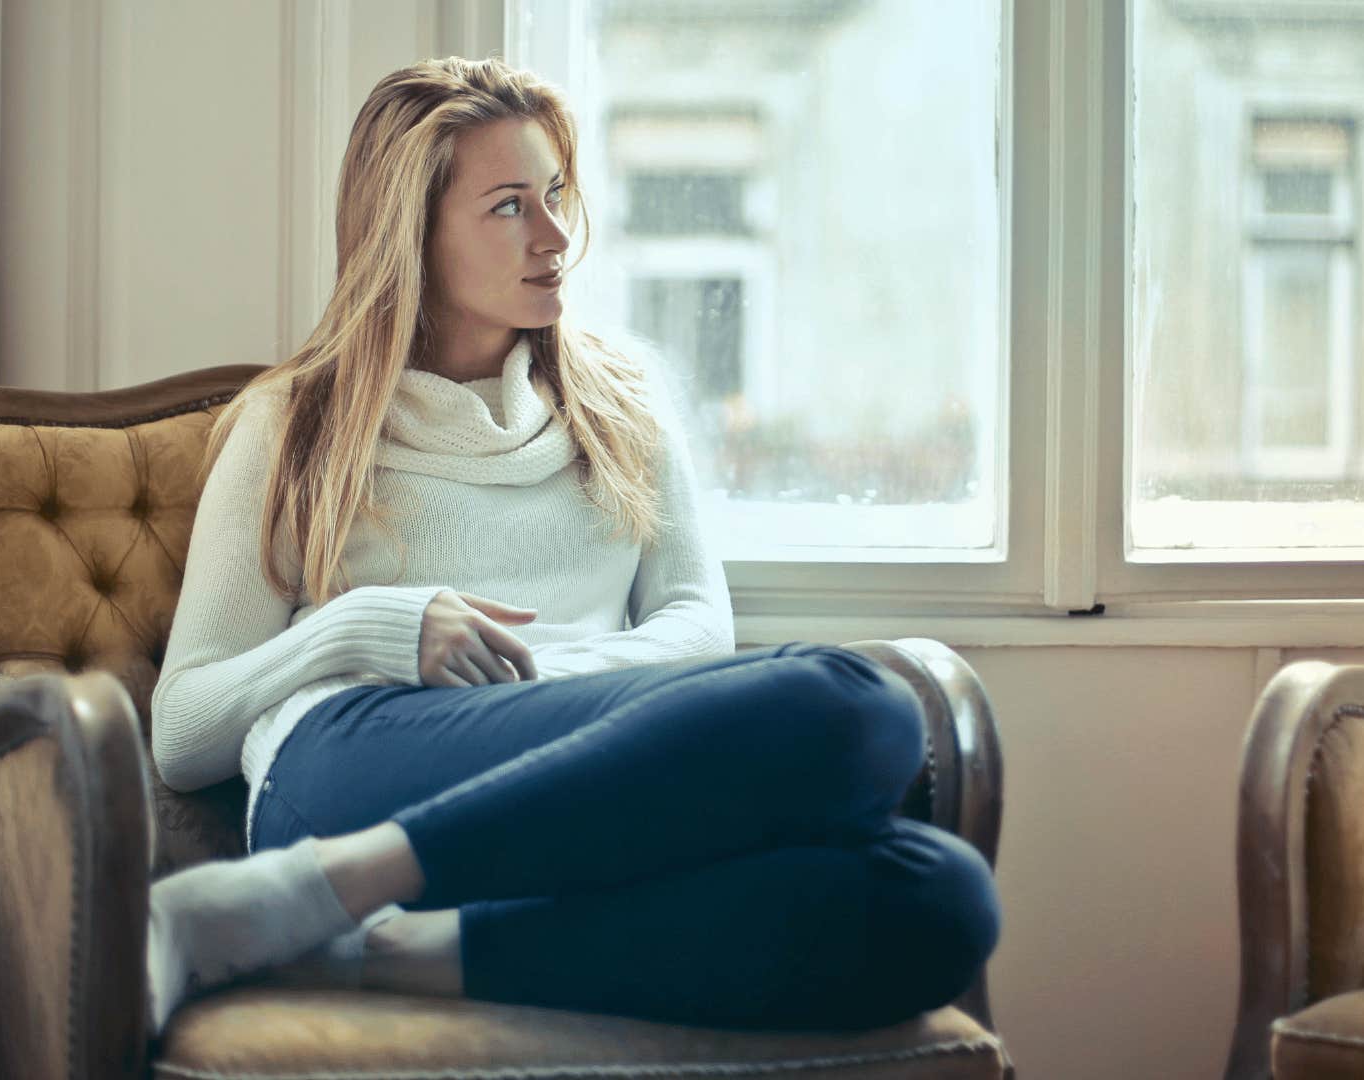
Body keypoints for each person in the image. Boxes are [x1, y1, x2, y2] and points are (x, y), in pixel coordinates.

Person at [144, 55, 1000, 1038]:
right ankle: (327, 879)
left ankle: (375, 944)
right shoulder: (294, 424)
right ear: (409, 236)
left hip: (586, 771)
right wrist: (365, 628)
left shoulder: (621, 398)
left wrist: (543, 678)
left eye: (554, 195)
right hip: (352, 763)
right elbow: (183, 728)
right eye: (510, 206)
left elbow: (696, 627)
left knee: (939, 896)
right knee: (852, 705)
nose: (555, 237)